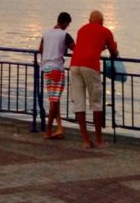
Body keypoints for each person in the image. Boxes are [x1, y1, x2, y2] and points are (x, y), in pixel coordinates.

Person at [68, 9, 119, 148]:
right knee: (96, 102)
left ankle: (85, 140)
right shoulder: (105, 31)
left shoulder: (81, 30)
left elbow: (86, 45)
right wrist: (114, 50)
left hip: (74, 64)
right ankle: (99, 140)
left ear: (89, 20)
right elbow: (113, 52)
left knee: (79, 103)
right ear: (102, 22)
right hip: (90, 65)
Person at [39, 11, 74, 139]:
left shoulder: (46, 33)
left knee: (54, 100)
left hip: (46, 68)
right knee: (54, 101)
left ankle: (59, 128)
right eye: (68, 24)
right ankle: (48, 131)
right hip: (57, 69)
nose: (67, 27)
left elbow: (40, 49)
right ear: (65, 23)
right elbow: (75, 48)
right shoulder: (64, 35)